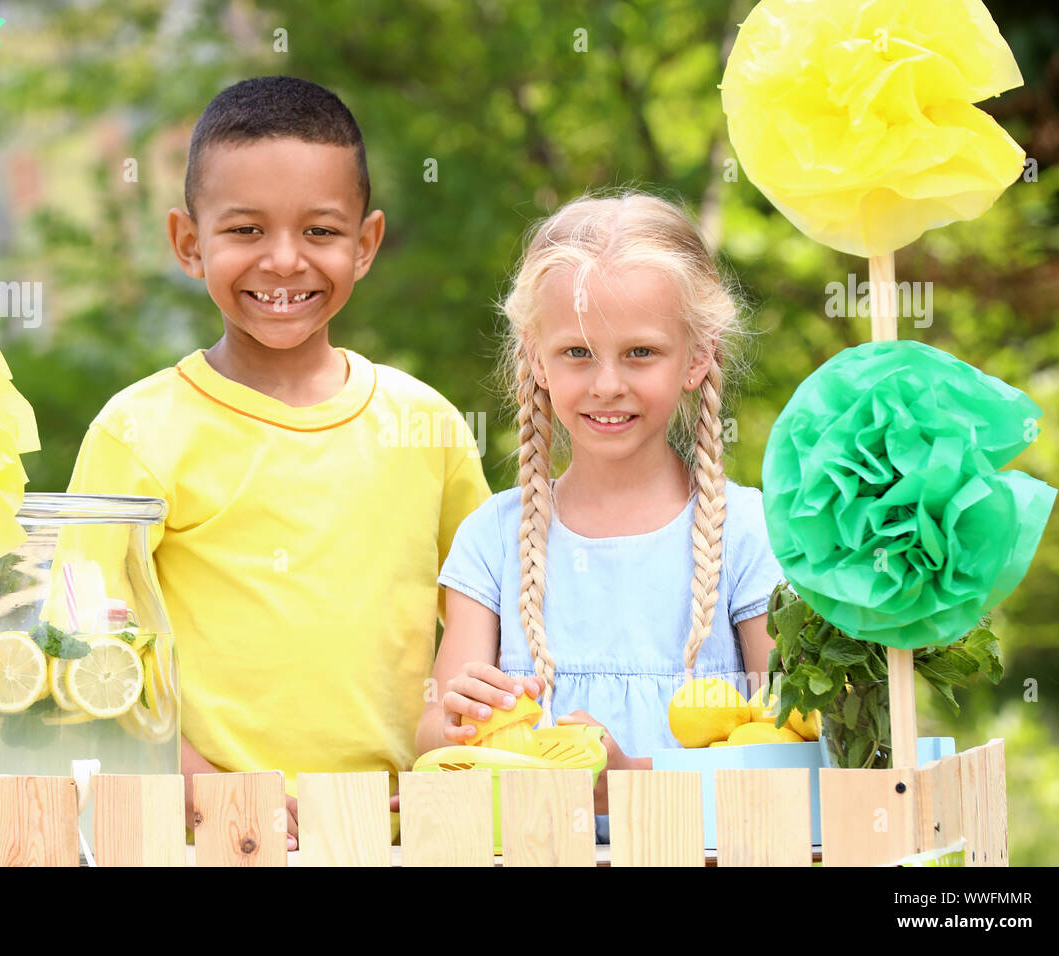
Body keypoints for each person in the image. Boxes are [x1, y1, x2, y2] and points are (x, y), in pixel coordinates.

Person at [66, 75, 490, 848]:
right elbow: (87, 648)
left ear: (365, 245)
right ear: (190, 244)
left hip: (400, 838)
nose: (285, 261)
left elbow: (485, 620)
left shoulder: (425, 425)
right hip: (203, 839)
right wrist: (210, 796)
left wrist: (455, 755)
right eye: (247, 231)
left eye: (322, 232)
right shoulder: (137, 432)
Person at [416, 190, 784, 842]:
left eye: (640, 353)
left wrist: (627, 782)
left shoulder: (750, 533)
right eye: (578, 353)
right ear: (535, 355)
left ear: (697, 356)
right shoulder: (492, 539)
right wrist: (456, 717)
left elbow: (793, 755)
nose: (607, 384)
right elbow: (432, 742)